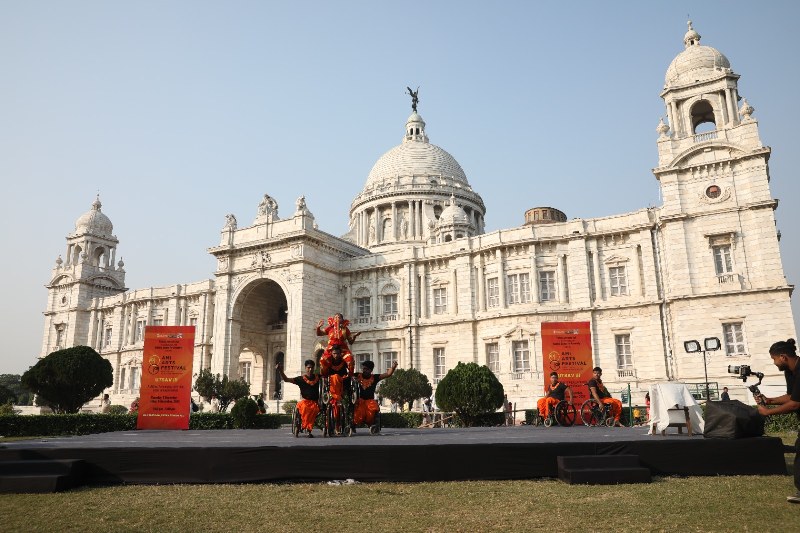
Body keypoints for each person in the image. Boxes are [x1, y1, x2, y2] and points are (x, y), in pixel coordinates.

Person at [753, 338, 800, 504]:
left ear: (783, 357)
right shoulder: (790, 371)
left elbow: (795, 404)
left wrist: (767, 412)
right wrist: (770, 400)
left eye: (773, 359)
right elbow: (791, 396)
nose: (774, 363)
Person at [277, 359, 321, 438]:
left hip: (315, 402)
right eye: (308, 368)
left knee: (313, 409)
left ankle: (308, 429)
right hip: (305, 402)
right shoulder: (301, 379)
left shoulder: (318, 378)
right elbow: (286, 379)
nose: (310, 369)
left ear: (314, 368)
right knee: (304, 408)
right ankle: (307, 429)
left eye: (311, 368)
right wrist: (280, 370)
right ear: (305, 368)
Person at [353, 359, 398, 431]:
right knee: (357, 414)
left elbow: (387, 374)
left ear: (371, 370)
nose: (364, 370)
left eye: (366, 369)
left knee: (372, 412)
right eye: (363, 369)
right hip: (359, 401)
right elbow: (348, 375)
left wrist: (393, 367)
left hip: (370, 401)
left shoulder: (375, 377)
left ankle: (372, 425)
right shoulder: (357, 376)